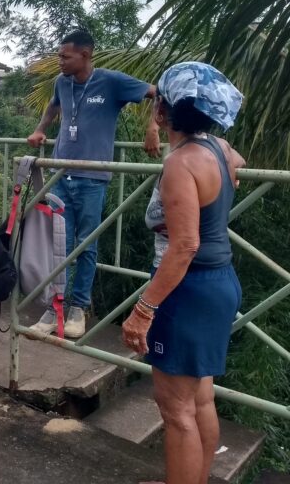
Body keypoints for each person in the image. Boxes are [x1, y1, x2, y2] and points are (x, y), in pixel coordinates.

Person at [121, 62, 244, 484]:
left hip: (187, 290)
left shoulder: (180, 165)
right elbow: (239, 162)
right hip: (219, 283)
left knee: (176, 412)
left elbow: (185, 245)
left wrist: (144, 308)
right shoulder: (220, 149)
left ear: (162, 114)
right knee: (201, 399)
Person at [28, 30, 160, 338]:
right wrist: (39, 130)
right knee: (60, 244)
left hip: (92, 179)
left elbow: (158, 92)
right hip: (61, 175)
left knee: (86, 245)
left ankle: (78, 309)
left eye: (65, 56)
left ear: (85, 56)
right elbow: (53, 105)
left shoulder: (111, 81)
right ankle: (55, 308)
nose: (59, 61)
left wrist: (152, 128)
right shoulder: (62, 82)